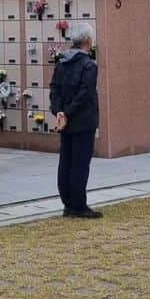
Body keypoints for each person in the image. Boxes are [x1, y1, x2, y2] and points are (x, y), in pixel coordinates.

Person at [49, 22, 102, 219]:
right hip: (83, 121)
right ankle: (78, 206)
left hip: (65, 121)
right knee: (80, 164)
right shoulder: (88, 65)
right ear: (88, 41)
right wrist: (68, 113)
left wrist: (59, 112)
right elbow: (85, 93)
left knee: (66, 161)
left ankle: (68, 204)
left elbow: (54, 89)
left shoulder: (62, 62)